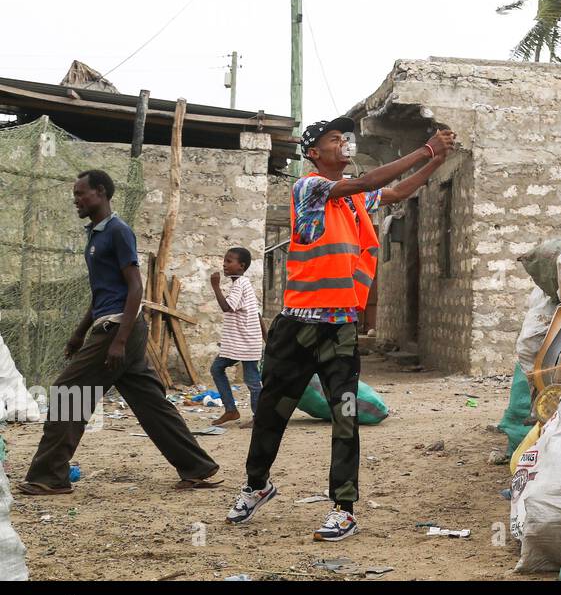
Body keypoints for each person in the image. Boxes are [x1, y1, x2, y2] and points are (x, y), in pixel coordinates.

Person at [227, 116, 454, 541]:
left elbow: (395, 191)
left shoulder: (354, 201)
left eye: (344, 138)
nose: (344, 144)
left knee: (345, 418)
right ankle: (257, 485)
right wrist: (425, 150)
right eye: (335, 139)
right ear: (314, 153)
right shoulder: (309, 188)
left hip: (341, 328)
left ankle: (343, 509)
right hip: (296, 327)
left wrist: (434, 163)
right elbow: (365, 183)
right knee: (271, 414)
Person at [18, 169, 221, 495]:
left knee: (68, 391)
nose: (76, 200)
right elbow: (102, 292)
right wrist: (79, 333)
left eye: (81, 194)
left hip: (117, 328)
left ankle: (49, 476)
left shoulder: (118, 231)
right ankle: (197, 467)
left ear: (101, 192)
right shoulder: (96, 235)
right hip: (108, 325)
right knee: (149, 401)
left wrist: (120, 340)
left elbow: (135, 287)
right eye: (75, 195)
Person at [208, 247, 266, 428]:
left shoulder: (240, 284)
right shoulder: (243, 284)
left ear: (241, 266)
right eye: (225, 261)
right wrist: (266, 337)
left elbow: (227, 307)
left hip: (245, 342)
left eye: (229, 261)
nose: (224, 265)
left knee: (252, 381)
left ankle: (259, 416)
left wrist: (215, 286)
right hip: (241, 342)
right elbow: (256, 312)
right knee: (218, 369)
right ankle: (231, 410)